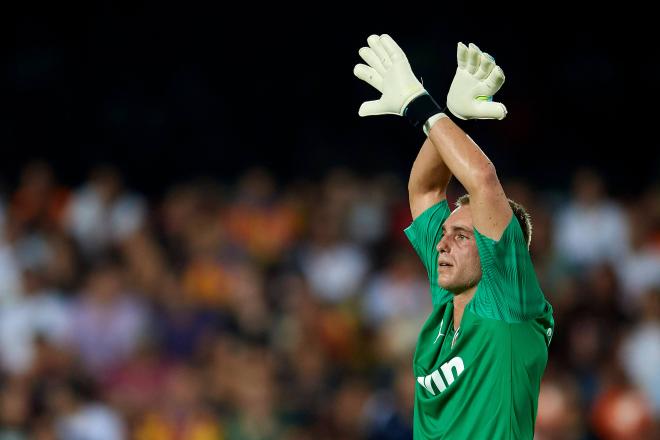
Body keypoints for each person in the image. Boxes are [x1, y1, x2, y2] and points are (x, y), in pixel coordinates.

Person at [354, 34, 554, 439]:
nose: (442, 244)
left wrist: (417, 102)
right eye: (446, 234)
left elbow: (481, 180)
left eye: (461, 236)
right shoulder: (449, 300)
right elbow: (426, 192)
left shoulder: (507, 298)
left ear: (494, 252)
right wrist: (453, 116)